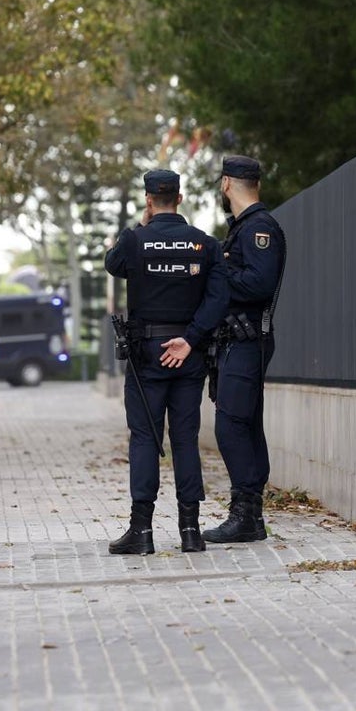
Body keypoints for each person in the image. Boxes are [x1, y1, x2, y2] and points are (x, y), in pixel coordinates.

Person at [104, 169, 229, 554]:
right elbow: (218, 299)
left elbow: (113, 264)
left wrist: (142, 226)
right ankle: (190, 532)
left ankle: (141, 533)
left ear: (148, 199)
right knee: (185, 440)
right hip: (188, 356)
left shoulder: (134, 241)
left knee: (145, 439)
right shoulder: (204, 245)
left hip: (146, 357)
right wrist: (190, 340)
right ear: (180, 197)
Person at [204, 155, 287, 544]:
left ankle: (245, 515)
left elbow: (258, 284)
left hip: (248, 338)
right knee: (245, 423)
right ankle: (250, 516)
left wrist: (216, 274)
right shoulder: (241, 228)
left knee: (232, 424)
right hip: (236, 340)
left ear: (226, 185)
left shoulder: (259, 228)